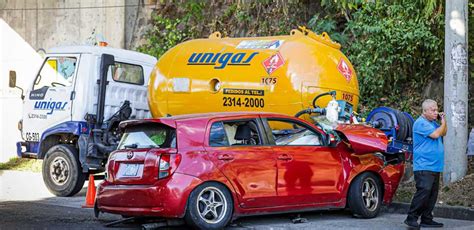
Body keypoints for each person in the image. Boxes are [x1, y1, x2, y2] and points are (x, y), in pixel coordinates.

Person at [405, 99, 447, 228]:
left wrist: (443, 122)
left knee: (432, 195)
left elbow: (443, 132)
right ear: (425, 111)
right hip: (424, 165)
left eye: (436, 110)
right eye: (433, 110)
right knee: (424, 192)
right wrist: (443, 122)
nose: (436, 112)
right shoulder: (421, 123)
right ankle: (411, 218)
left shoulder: (433, 123)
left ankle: (426, 218)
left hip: (434, 165)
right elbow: (436, 135)